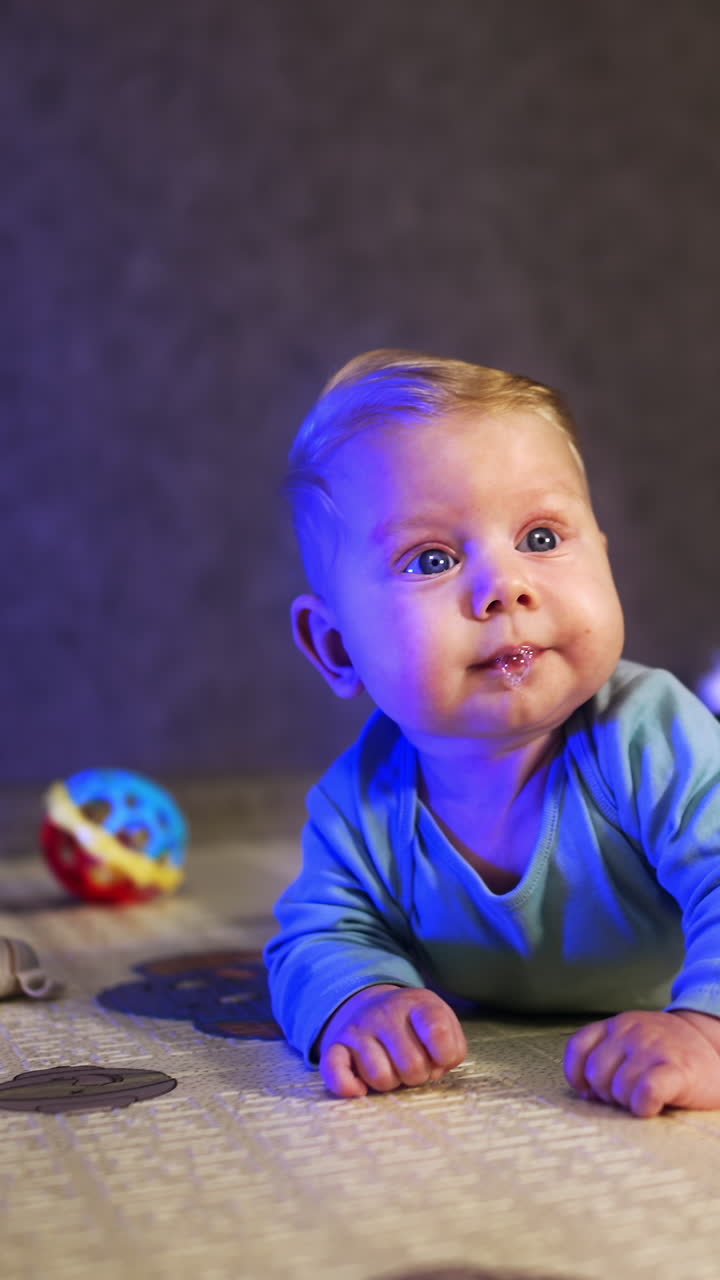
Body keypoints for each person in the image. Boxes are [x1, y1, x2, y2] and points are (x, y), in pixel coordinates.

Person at [264, 348, 720, 1118]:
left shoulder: (650, 735)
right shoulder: (360, 803)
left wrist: (706, 1033)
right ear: (336, 646)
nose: (504, 587)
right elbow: (315, 938)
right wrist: (362, 1001)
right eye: (431, 559)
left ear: (603, 557)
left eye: (540, 538)